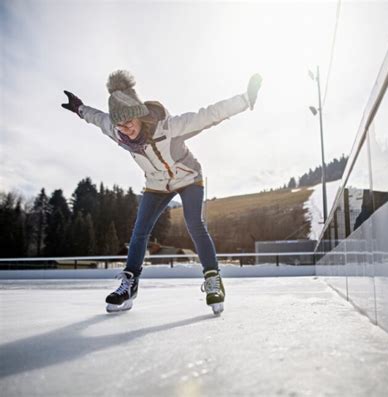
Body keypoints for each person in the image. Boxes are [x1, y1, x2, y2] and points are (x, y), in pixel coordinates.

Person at [61, 70, 262, 314]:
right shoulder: (118, 132)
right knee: (139, 231)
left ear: (139, 116)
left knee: (194, 223)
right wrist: (80, 108)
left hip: (188, 178)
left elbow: (208, 115)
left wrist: (245, 99)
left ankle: (213, 280)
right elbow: (99, 118)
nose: (125, 130)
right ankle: (129, 285)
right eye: (119, 125)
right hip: (157, 184)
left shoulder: (169, 128)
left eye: (128, 123)